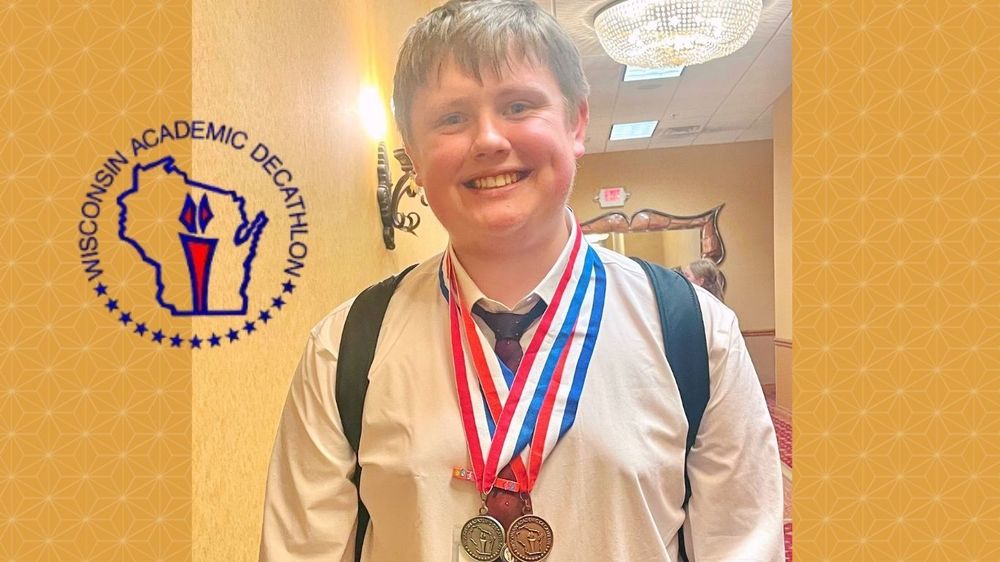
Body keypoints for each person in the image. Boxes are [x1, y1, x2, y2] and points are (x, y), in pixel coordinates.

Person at [259, 1, 784, 560]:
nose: (488, 139)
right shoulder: (343, 350)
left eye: (517, 105)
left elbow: (742, 545)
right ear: (411, 152)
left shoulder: (697, 334)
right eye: (451, 118)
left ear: (576, 121)